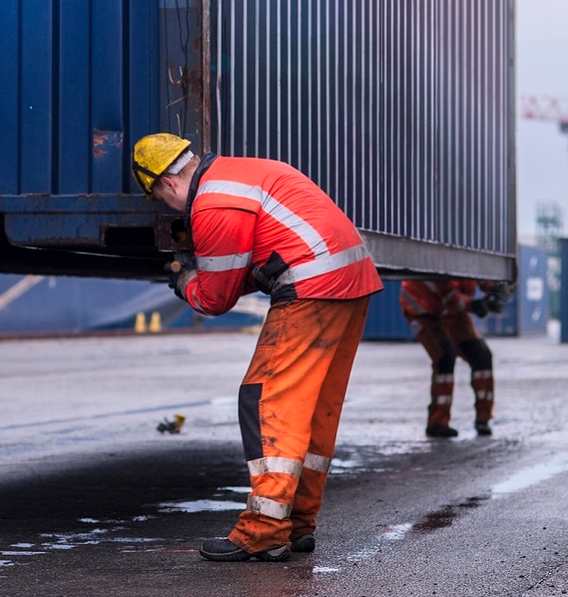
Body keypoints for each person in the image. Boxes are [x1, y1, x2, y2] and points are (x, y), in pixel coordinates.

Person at [131, 133, 382, 563]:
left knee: (266, 400)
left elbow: (214, 299)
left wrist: (183, 279)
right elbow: (256, 263)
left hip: (313, 285)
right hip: (351, 279)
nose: (165, 206)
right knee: (314, 406)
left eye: (158, 197)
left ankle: (264, 530)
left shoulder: (211, 205)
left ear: (167, 185)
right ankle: (298, 523)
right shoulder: (240, 173)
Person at [398, 278, 499, 438]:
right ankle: (437, 423)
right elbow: (449, 295)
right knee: (444, 355)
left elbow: (480, 278)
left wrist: (496, 289)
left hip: (451, 310)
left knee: (482, 356)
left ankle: (483, 420)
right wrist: (474, 305)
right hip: (423, 308)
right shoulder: (446, 258)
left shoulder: (473, 256)